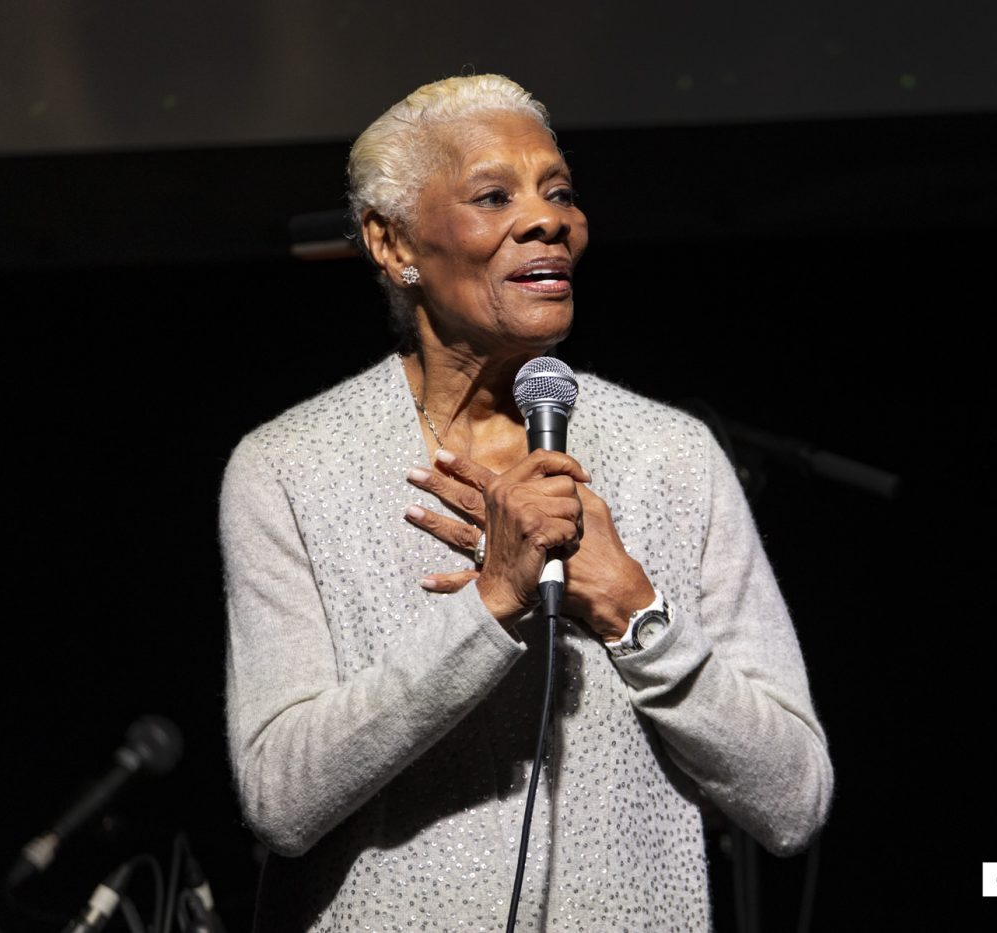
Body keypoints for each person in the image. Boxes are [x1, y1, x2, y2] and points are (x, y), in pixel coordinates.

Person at [221, 74, 833, 931]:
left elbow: (795, 798)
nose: (548, 219)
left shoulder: (672, 456)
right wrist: (490, 604)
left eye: (560, 192)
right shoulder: (292, 467)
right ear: (391, 242)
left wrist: (632, 608)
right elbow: (280, 798)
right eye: (494, 196)